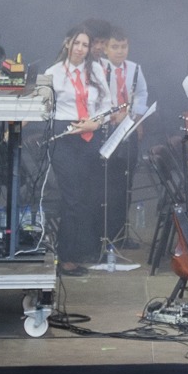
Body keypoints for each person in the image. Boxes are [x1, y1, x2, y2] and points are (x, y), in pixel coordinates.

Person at [40, 27, 115, 275]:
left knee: (87, 197)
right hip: (65, 136)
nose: (81, 48)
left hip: (90, 134)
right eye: (77, 43)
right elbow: (43, 109)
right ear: (67, 44)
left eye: (85, 44)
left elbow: (108, 106)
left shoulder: (94, 70)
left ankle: (81, 250)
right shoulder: (53, 73)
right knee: (72, 197)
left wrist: (97, 122)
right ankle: (66, 258)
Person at [94, 28, 150, 249]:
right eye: (115, 47)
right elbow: (96, 96)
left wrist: (135, 114)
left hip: (127, 129)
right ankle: (101, 233)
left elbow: (142, 93)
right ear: (105, 48)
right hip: (106, 129)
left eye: (123, 47)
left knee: (125, 183)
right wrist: (112, 113)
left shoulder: (135, 69)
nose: (119, 51)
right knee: (105, 184)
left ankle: (120, 232)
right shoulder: (98, 68)